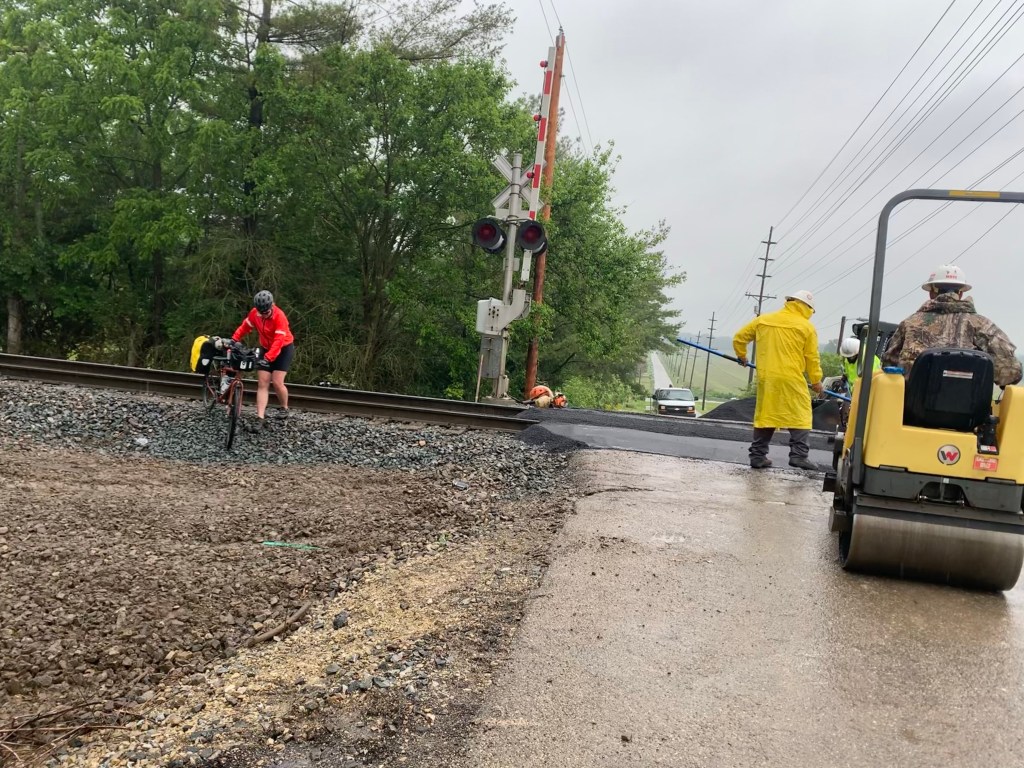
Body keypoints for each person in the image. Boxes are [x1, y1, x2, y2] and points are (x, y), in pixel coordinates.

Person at [882, 265, 1022, 386]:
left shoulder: (909, 323)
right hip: (970, 408)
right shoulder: (983, 325)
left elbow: (888, 365)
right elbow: (1012, 373)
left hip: (912, 408)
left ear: (931, 293)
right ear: (961, 293)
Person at [733, 290, 824, 470]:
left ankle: (757, 456)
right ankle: (799, 455)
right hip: (791, 377)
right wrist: (816, 381)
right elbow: (812, 358)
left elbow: (739, 338)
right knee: (801, 414)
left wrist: (741, 356)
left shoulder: (763, 320)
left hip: (767, 377)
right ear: (807, 308)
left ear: (790, 301)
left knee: (766, 414)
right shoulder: (806, 327)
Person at [231, 290, 296, 431]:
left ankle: (284, 408)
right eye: (261, 313)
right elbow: (245, 326)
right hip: (265, 348)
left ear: (272, 305)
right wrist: (234, 339)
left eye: (266, 312)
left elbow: (278, 341)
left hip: (284, 348)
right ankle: (260, 417)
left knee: (277, 382)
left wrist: (268, 358)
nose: (263, 315)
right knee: (262, 382)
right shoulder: (255, 313)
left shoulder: (280, 316)